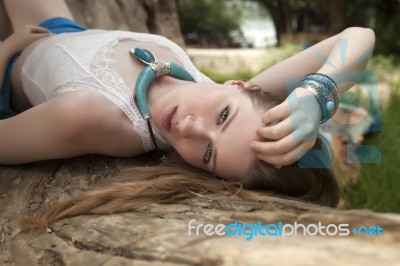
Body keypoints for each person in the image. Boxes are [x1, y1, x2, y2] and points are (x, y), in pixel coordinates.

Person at [0, 0, 375, 228]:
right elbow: (357, 37)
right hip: (63, 30)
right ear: (239, 85)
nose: (190, 127)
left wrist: (8, 47)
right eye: (223, 116)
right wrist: (315, 93)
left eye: (208, 154)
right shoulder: (211, 86)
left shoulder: (94, 116)